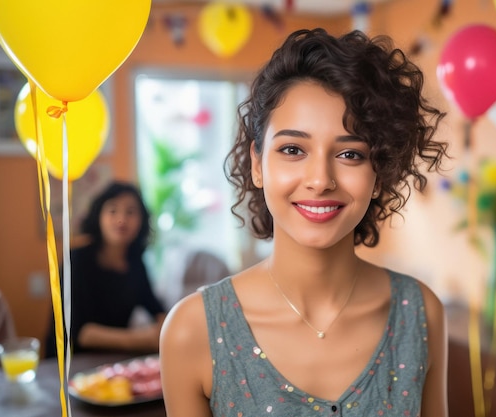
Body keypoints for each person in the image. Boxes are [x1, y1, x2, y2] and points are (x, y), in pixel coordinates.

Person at [160, 28, 449, 417]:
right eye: (293, 149)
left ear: (379, 173)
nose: (320, 179)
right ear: (259, 164)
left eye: (350, 154)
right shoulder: (193, 330)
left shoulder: (421, 314)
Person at [45, 181, 166, 357]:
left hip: (114, 362)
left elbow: (155, 308)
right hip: (68, 364)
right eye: (112, 210)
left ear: (142, 221)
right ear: (99, 216)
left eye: (131, 212)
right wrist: (142, 340)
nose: (121, 219)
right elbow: (81, 334)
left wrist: (166, 326)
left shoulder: (136, 263)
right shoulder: (76, 260)